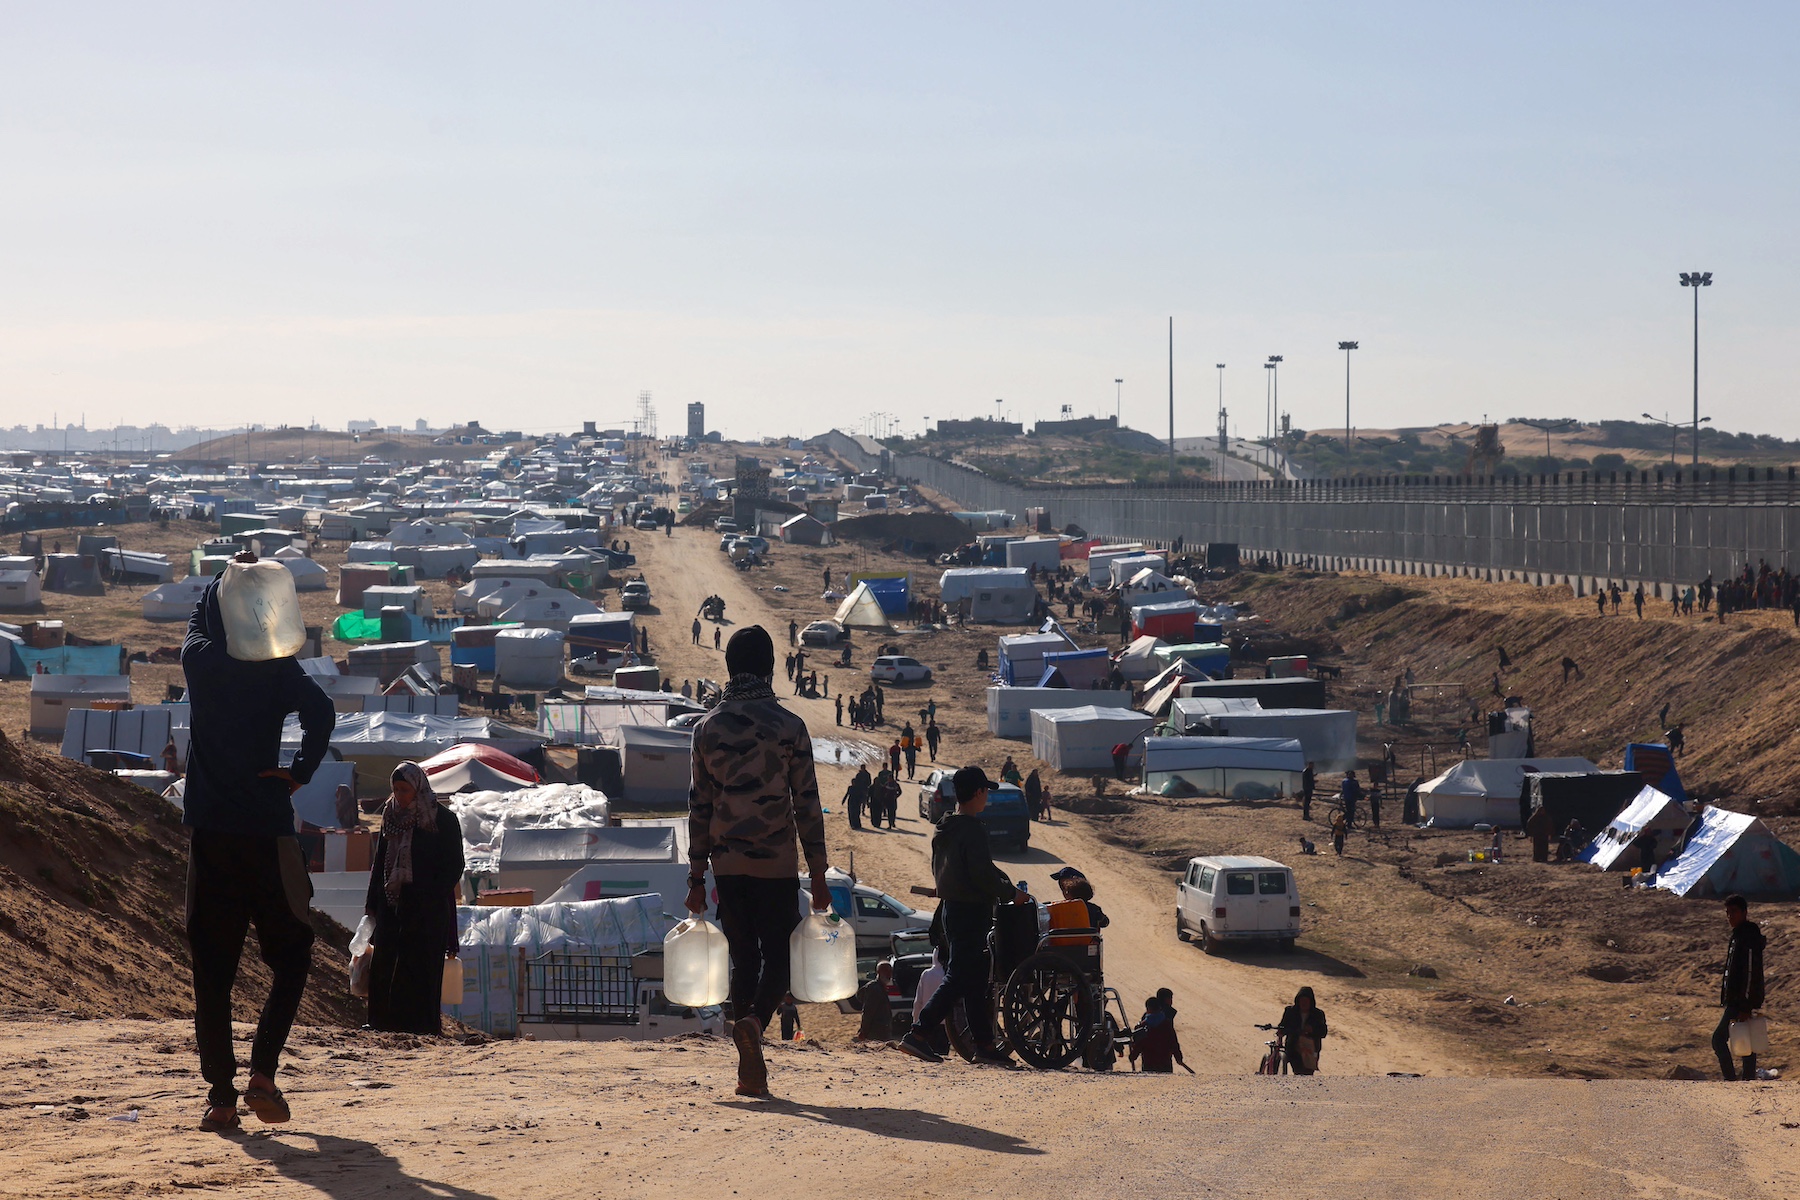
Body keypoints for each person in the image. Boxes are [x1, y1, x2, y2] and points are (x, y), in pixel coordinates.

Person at [181, 558, 336, 1132]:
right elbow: (322, 711)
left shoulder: (199, 660)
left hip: (212, 837)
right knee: (293, 953)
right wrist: (299, 771)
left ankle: (220, 1098)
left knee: (213, 971)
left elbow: (200, 620)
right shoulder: (276, 667)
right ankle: (264, 1074)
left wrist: (221, 579)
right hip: (267, 834)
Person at [687, 625, 831, 1099]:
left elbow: (699, 808)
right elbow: (807, 803)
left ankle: (750, 1066)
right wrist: (819, 873)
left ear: (729, 667)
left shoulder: (706, 729)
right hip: (775, 864)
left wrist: (695, 875)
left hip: (728, 867)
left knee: (744, 959)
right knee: (782, 960)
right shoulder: (789, 726)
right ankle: (754, 1024)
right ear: (770, 667)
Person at [899, 768, 1031, 1066]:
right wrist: (1012, 894)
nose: (987, 796)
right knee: (959, 976)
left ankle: (983, 1045)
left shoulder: (945, 826)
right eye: (986, 791)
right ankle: (918, 1034)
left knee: (974, 981)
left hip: (951, 909)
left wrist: (1005, 884)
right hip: (970, 911)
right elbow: (982, 873)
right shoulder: (972, 830)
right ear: (978, 793)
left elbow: (977, 868)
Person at [363, 763, 463, 1035]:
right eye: (395, 789)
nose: (400, 795)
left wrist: (428, 896)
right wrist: (372, 904)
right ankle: (382, 1022)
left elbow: (454, 865)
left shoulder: (440, 819)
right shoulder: (390, 816)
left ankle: (422, 1027)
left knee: (421, 967)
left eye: (404, 789)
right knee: (385, 965)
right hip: (392, 904)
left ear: (417, 787)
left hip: (427, 909)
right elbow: (380, 861)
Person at [1713, 894, 1766, 1081]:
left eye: (1734, 912)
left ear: (1744, 912)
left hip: (1741, 1001)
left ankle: (1731, 1081)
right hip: (1737, 999)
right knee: (1746, 1040)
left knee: (1718, 1039)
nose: (1730, 917)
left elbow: (1751, 973)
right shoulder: (1738, 935)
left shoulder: (1748, 936)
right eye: (1728, 913)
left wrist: (1745, 1005)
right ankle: (1748, 1081)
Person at [1276, 986, 1329, 1074]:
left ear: (1311, 1002)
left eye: (1306, 1001)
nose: (1304, 1003)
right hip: (1294, 1047)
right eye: (1302, 1000)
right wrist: (1282, 1031)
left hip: (1310, 1049)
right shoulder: (1290, 1011)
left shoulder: (1318, 1014)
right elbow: (1283, 1026)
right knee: (1298, 1071)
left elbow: (1323, 1032)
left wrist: (1312, 1030)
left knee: (1308, 1074)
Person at [1128, 994, 1185, 1073]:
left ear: (1147, 1009)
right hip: (1165, 1063)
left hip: (1149, 1063)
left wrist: (1133, 1056)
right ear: (1160, 1008)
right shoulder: (1167, 1024)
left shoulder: (1143, 1026)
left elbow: (1139, 1044)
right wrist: (1178, 1058)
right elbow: (1173, 1043)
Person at [854, 962, 894, 1043]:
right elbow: (868, 1012)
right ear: (878, 972)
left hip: (883, 1030)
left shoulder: (881, 987)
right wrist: (863, 1031)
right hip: (875, 1032)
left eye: (890, 971)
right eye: (886, 971)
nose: (889, 974)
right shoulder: (874, 989)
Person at [844, 765, 870, 831]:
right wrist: (843, 800)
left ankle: (858, 823)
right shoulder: (858, 775)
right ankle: (853, 824)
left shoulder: (867, 774)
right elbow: (847, 794)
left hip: (862, 793)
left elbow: (869, 782)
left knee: (857, 812)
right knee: (852, 813)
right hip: (852, 801)